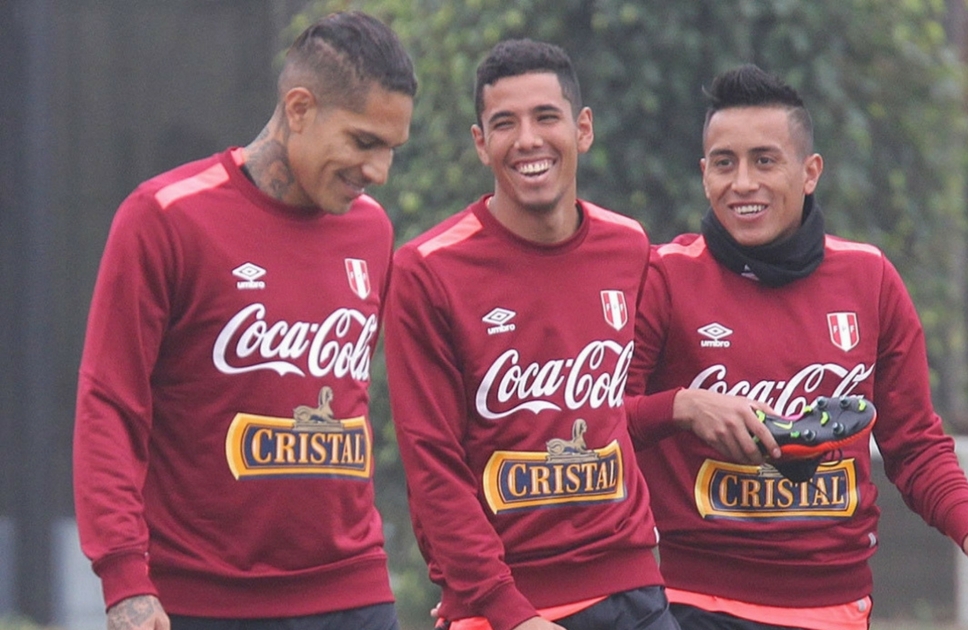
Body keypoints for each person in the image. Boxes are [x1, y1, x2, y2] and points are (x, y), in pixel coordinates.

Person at [73, 11, 416, 630]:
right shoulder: (165, 217)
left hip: (354, 596)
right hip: (203, 602)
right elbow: (109, 406)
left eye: (392, 149)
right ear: (300, 108)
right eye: (364, 142)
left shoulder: (372, 231)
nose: (379, 172)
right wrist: (125, 581)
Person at [624, 64, 968, 630]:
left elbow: (916, 448)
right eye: (724, 163)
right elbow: (601, 428)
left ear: (810, 172)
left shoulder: (870, 278)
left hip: (839, 606)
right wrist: (683, 406)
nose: (743, 183)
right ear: (704, 174)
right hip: (697, 604)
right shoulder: (662, 276)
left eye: (765, 160)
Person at [383, 39, 680, 630]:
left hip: (634, 592)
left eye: (546, 117)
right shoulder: (426, 270)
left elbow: (626, 414)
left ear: (583, 129)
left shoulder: (628, 245)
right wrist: (507, 611)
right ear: (480, 143)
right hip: (502, 606)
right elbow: (433, 469)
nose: (527, 140)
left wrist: (684, 406)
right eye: (504, 124)